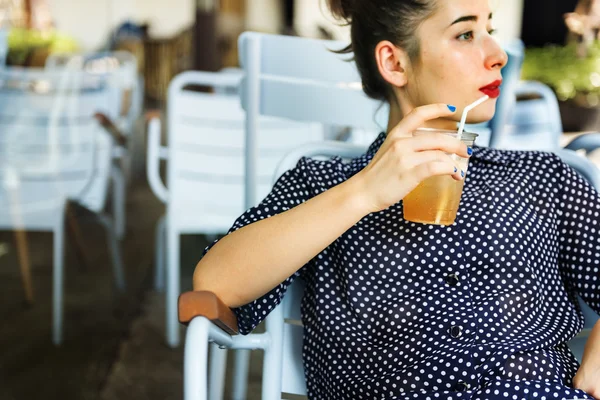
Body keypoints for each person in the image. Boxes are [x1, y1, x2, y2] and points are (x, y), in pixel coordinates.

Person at [193, 0, 600, 398]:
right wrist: (365, 192)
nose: (497, 55)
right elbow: (215, 285)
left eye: (489, 30)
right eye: (465, 33)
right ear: (394, 62)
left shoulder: (545, 178)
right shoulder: (323, 184)